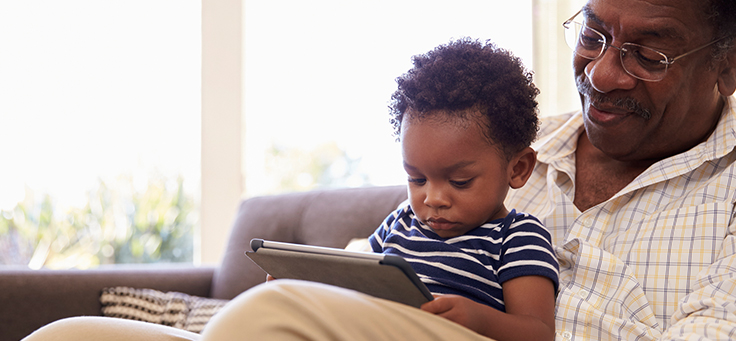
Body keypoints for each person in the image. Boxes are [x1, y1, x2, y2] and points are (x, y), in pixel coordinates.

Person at [22, 0, 736, 340]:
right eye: (593, 36)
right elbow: (372, 266)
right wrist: (323, 281)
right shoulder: (516, 139)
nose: (604, 71)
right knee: (72, 337)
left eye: (650, 54)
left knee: (270, 317)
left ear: (727, 68)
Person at [366, 38, 559, 340]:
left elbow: (539, 333)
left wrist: (480, 320)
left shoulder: (518, 238)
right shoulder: (400, 222)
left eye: (459, 182)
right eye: (417, 179)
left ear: (518, 168)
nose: (433, 198)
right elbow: (357, 280)